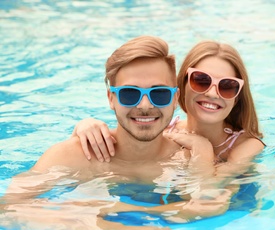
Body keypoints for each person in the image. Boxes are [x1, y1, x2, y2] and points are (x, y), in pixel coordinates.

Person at [0, 35, 232, 230]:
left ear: (175, 98)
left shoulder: (189, 159)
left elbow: (208, 208)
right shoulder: (73, 156)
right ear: (111, 98)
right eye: (129, 94)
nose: (144, 105)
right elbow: (7, 210)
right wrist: (107, 229)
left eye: (159, 93)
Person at [72, 40, 265, 178]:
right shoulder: (166, 127)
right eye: (201, 80)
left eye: (227, 86)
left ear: (237, 95)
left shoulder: (247, 145)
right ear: (180, 89)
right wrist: (85, 126)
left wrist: (202, 148)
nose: (213, 93)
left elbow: (209, 192)